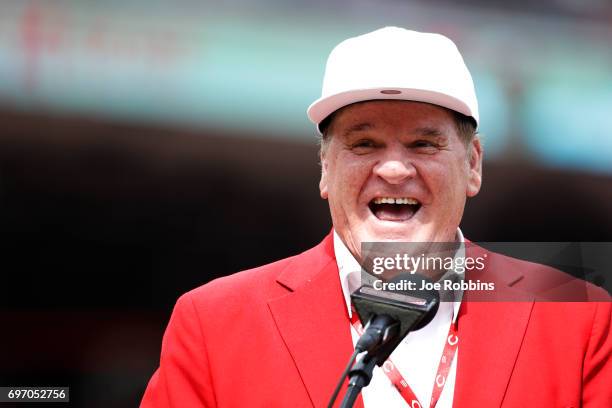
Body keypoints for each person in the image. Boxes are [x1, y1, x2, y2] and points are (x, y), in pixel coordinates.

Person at [141, 27, 611, 407]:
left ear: (473, 165)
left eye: (423, 144)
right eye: (363, 144)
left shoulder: (579, 314)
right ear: (325, 169)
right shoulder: (214, 321)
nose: (392, 168)